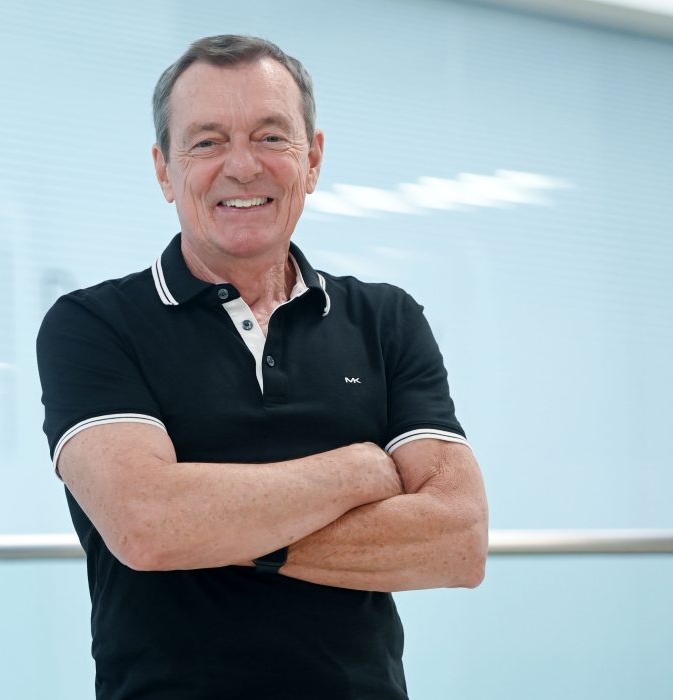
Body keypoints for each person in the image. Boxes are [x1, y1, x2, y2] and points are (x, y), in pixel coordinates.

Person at [36, 35, 488, 699]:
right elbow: (146, 525)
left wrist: (219, 530)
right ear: (164, 170)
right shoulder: (94, 325)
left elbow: (458, 540)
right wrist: (358, 471)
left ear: (313, 159)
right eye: (208, 142)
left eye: (271, 137)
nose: (243, 166)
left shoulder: (386, 319)